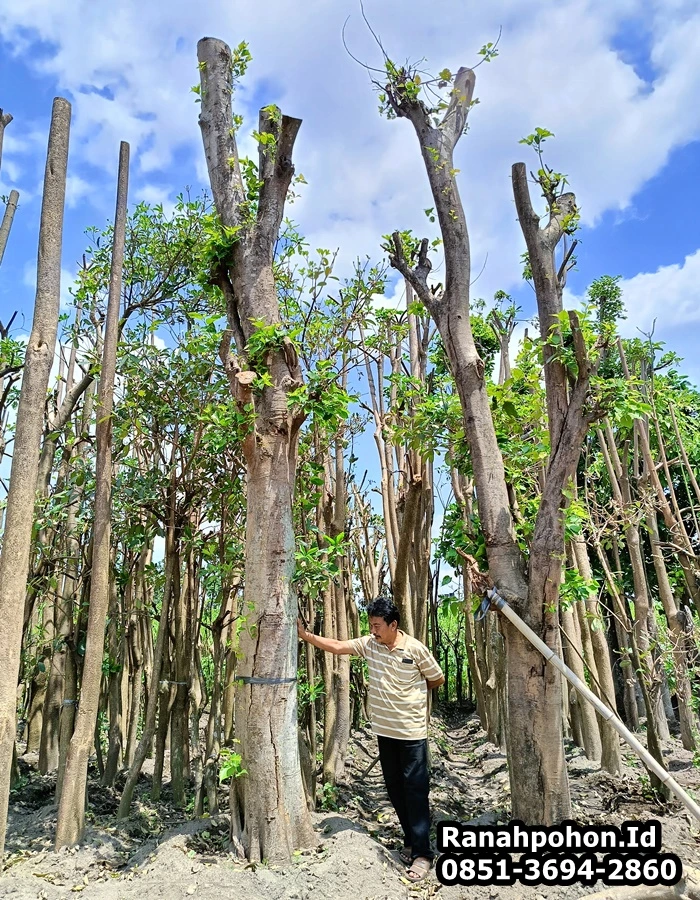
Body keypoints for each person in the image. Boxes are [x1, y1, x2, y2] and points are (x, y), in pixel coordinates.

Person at [297, 596, 444, 883]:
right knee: (395, 789)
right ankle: (412, 842)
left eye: (377, 625)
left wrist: (410, 697)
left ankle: (424, 854)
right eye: (371, 625)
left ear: (393, 625)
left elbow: (436, 678)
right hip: (384, 732)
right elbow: (338, 647)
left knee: (415, 791)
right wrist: (306, 635)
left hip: (412, 733)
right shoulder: (369, 645)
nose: (373, 630)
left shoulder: (415, 649)